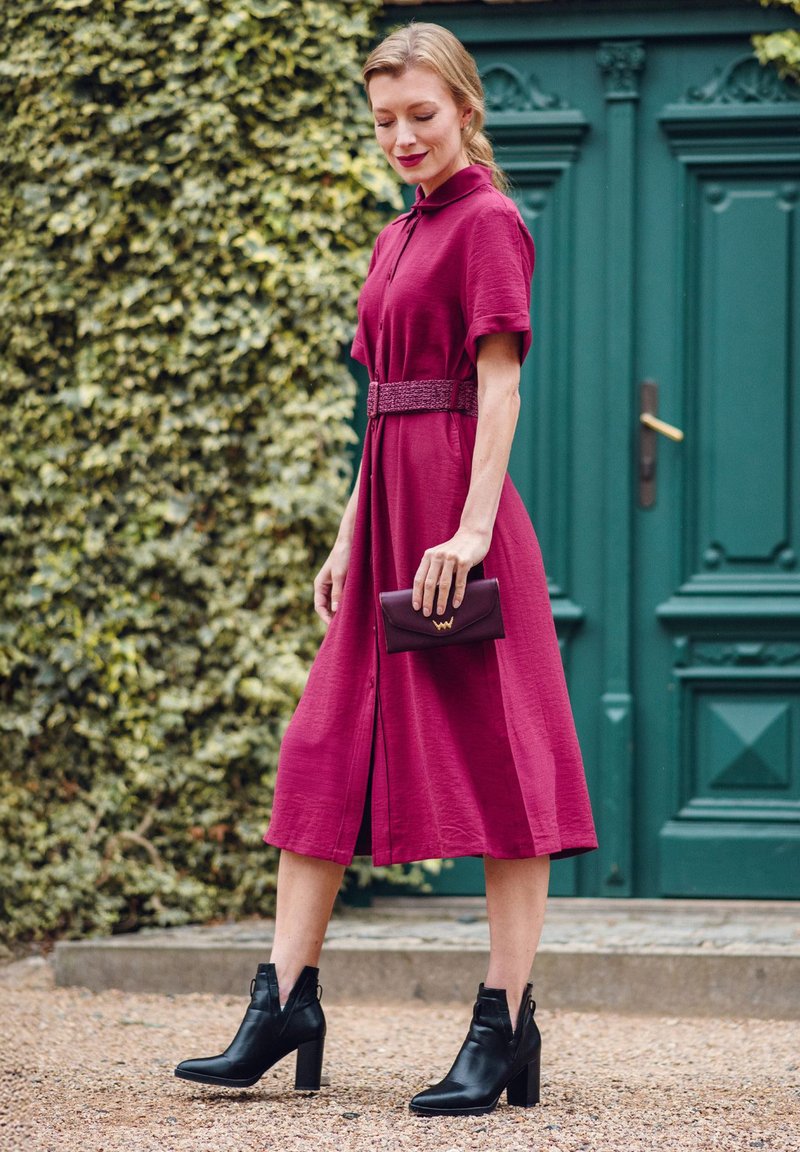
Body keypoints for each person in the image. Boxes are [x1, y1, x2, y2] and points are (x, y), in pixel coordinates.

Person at [175, 20, 597, 1116]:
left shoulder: (491, 221)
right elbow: (380, 402)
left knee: (505, 769)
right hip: (389, 522)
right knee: (319, 745)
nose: (401, 138)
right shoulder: (391, 235)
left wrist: (462, 533)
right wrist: (348, 535)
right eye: (383, 122)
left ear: (463, 108)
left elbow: (495, 389)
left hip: (459, 524)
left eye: (420, 116)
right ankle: (283, 1001)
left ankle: (502, 1022)